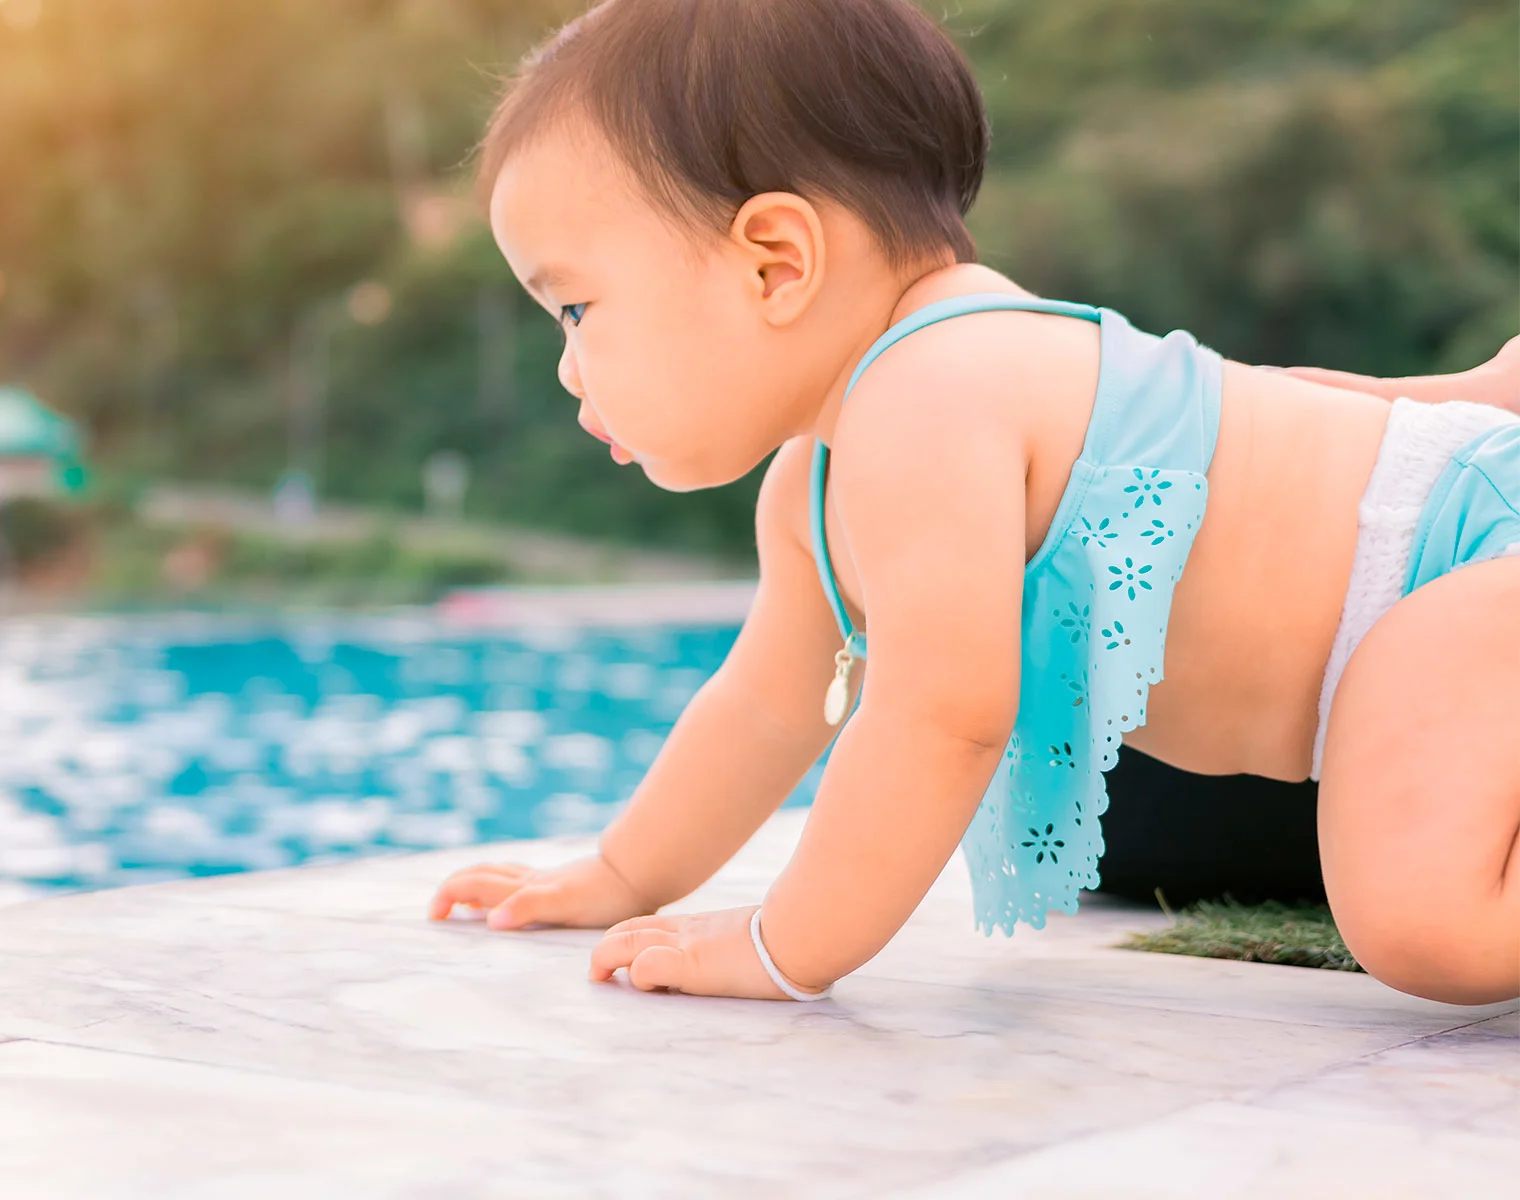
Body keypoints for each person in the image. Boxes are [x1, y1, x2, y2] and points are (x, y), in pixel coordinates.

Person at [426, 0, 1520, 1006]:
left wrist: (782, 944)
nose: (567, 366)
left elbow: (942, 715)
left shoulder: (932, 392)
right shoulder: (819, 477)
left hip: (1474, 551)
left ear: (775, 263)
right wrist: (623, 872)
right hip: (1442, 588)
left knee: (1419, 913)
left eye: (576, 309)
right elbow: (763, 709)